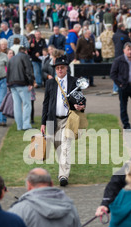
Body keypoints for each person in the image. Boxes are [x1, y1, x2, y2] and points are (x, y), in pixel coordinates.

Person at [41, 55, 86, 187]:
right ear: (55, 69)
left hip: (68, 119)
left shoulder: (74, 82)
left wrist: (80, 106)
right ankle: (63, 166)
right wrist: (43, 123)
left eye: (62, 67)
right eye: (57, 68)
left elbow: (81, 99)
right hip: (52, 119)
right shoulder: (50, 83)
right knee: (58, 147)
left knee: (66, 146)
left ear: (66, 68)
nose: (60, 70)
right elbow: (45, 103)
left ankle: (63, 175)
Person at [7, 46, 34, 131]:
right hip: (22, 83)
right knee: (26, 104)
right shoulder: (25, 56)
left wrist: (9, 84)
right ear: (25, 51)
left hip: (12, 84)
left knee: (17, 105)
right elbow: (28, 70)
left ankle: (19, 126)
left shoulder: (11, 59)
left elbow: (8, 72)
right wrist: (30, 82)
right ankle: (26, 125)